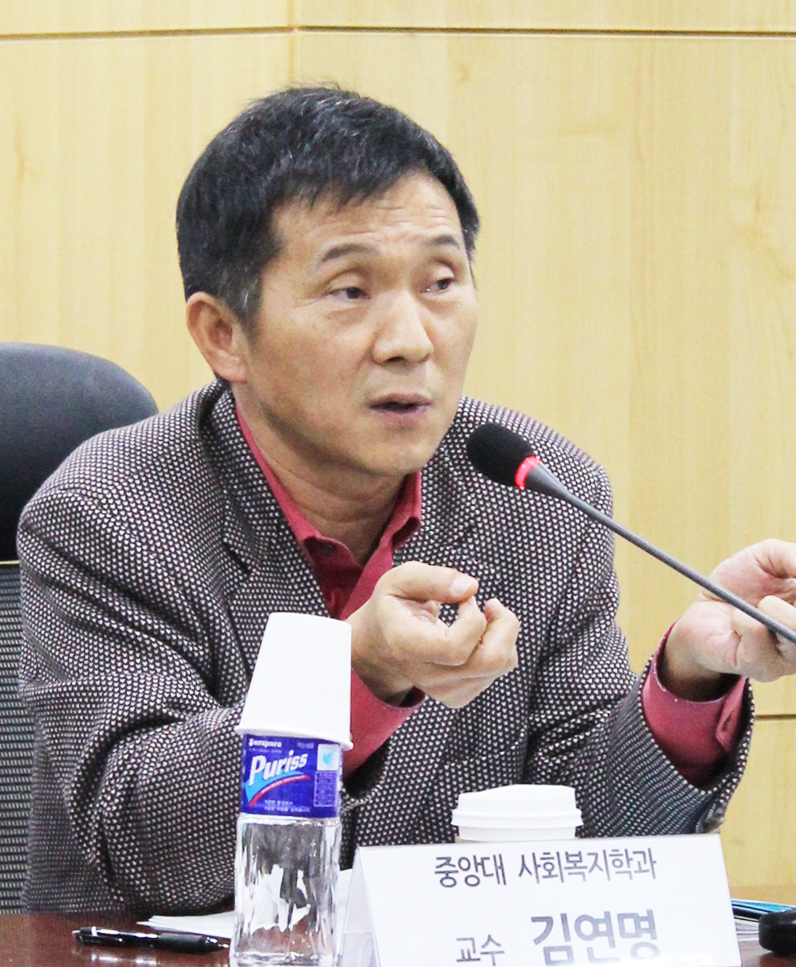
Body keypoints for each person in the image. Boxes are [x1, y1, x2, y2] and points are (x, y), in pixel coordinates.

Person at [18, 87, 796, 916]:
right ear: (223, 335)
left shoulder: (534, 496)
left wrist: (690, 679)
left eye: (440, 281)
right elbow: (149, 840)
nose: (411, 340)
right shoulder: (107, 516)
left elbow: (590, 839)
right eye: (350, 291)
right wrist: (355, 677)